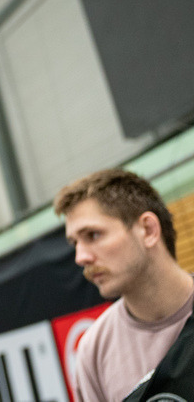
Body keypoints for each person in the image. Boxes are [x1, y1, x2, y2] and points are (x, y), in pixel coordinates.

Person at [55, 169, 194, 402]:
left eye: (93, 235)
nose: (80, 257)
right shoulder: (94, 350)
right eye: (75, 243)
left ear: (148, 230)